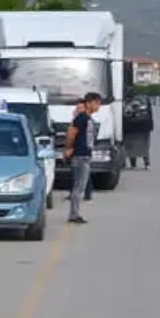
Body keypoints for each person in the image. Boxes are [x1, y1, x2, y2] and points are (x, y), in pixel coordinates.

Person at [65, 92, 99, 224]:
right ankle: (74, 214)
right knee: (79, 186)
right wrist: (68, 148)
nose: (98, 107)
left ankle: (75, 213)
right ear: (89, 103)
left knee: (80, 186)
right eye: (96, 103)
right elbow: (71, 133)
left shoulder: (88, 119)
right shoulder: (82, 118)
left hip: (85, 155)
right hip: (80, 156)